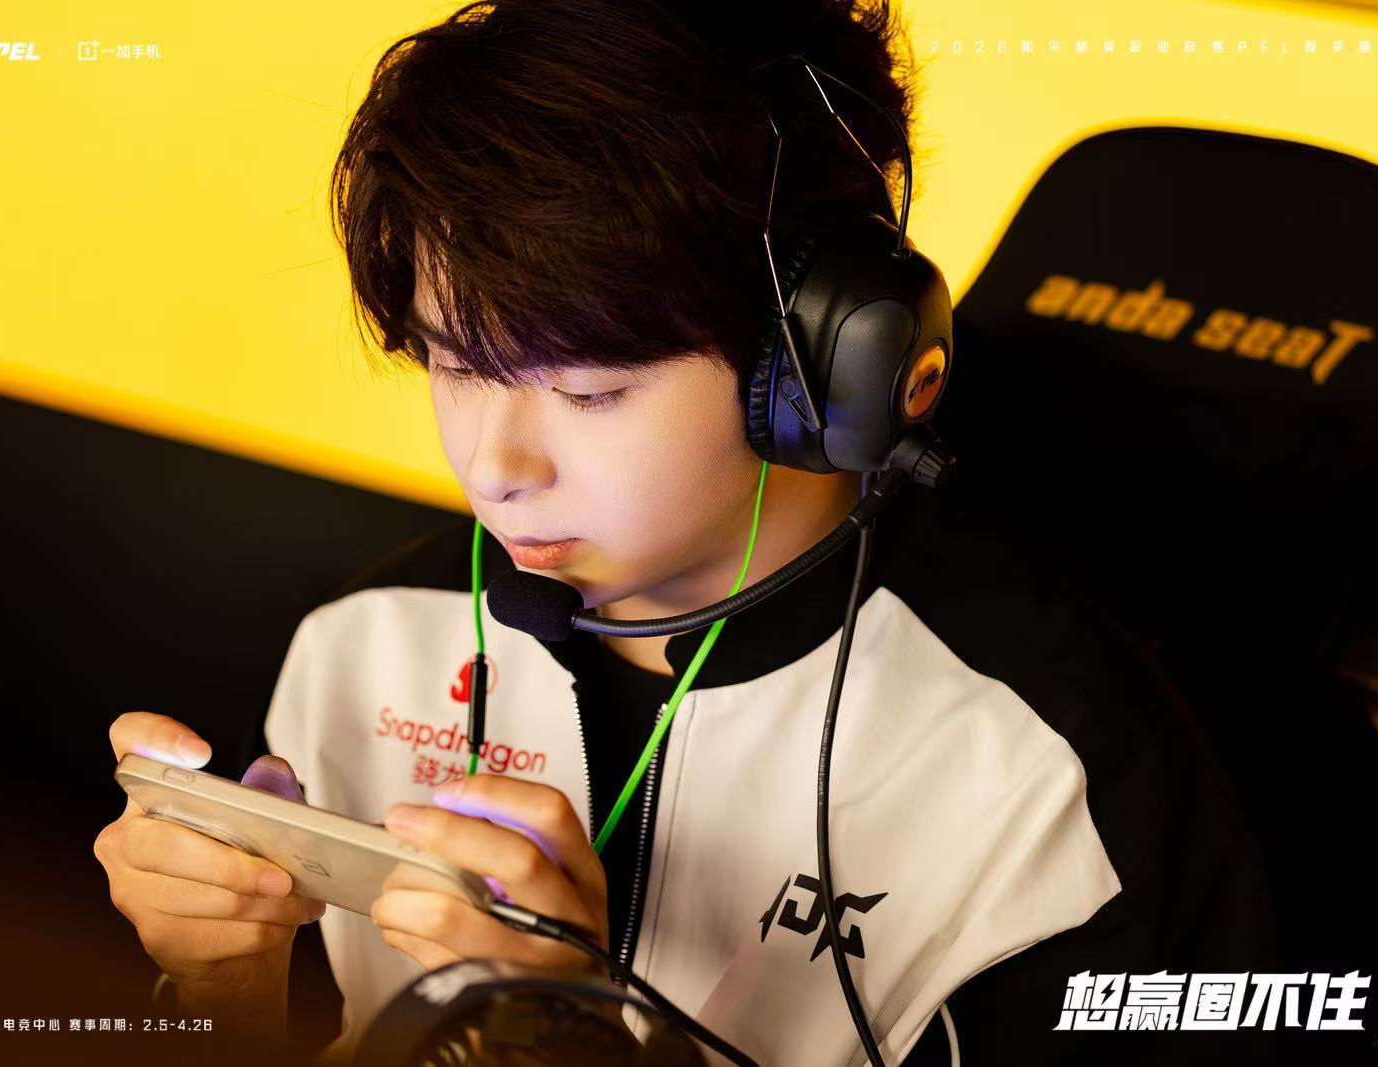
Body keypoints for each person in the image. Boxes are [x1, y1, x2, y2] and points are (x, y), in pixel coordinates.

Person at [93, 1, 1278, 1063]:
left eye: (589, 391)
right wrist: (222, 989)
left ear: (813, 365)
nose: (496, 469)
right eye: (455, 368)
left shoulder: (1045, 776)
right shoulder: (366, 643)